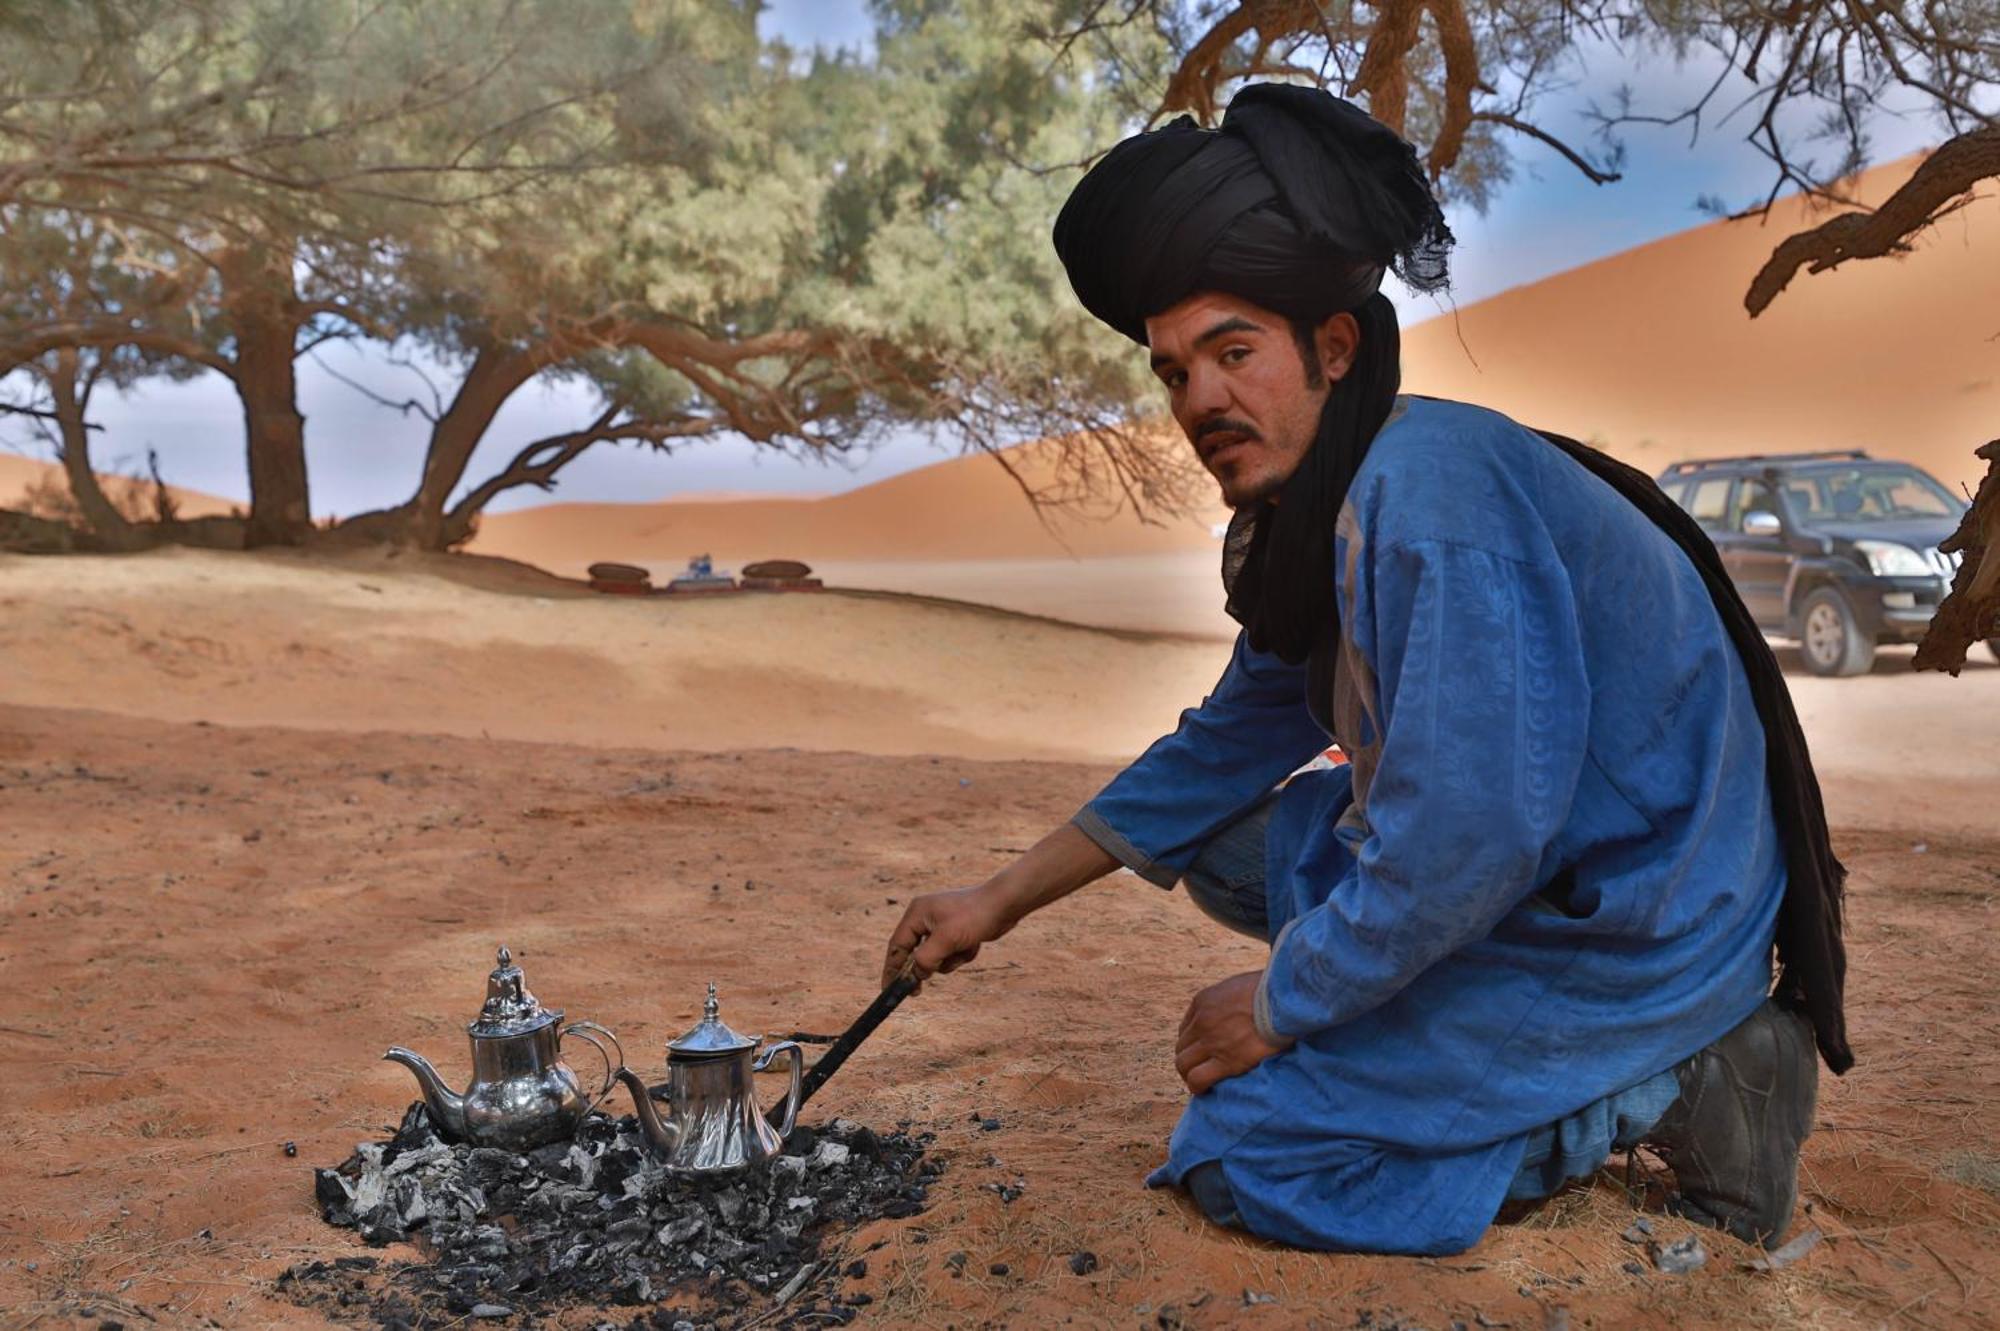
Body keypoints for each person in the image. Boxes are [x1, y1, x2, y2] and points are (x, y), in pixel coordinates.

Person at [880, 84, 1850, 1257]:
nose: (1201, 401)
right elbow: (1219, 747)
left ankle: (1692, 1075)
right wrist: (992, 900)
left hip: (1632, 915)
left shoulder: (1422, 499)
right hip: (1544, 864)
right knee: (1228, 839)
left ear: (1332, 346)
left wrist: (1283, 1005)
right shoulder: (1321, 508)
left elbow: (1474, 831)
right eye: (1175, 372)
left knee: (1247, 1153)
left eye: (1233, 353)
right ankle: (1456, 1018)